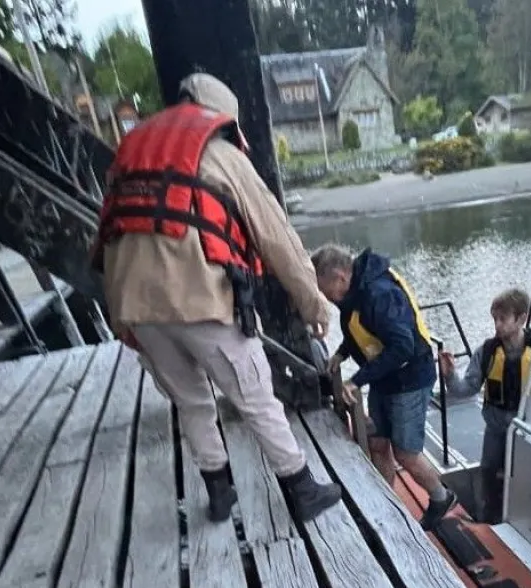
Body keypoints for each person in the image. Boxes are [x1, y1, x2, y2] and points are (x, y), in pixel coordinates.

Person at [90, 73, 341, 524]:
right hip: (201, 300)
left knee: (191, 401)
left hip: (137, 307)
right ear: (223, 118)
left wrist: (120, 318)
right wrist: (314, 304)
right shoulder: (223, 156)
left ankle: (220, 493)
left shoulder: (131, 154)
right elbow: (277, 238)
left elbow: (110, 232)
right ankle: (302, 489)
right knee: (255, 396)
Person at [311, 244, 458, 530]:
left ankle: (441, 497)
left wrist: (357, 380)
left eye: (325, 290)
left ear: (340, 276)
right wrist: (341, 353)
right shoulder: (354, 292)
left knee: (406, 453)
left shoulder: (380, 294)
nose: (325, 297)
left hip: (410, 379)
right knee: (377, 443)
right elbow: (361, 328)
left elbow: (402, 346)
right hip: (384, 377)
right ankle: (386, 503)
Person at [440, 288, 531, 524]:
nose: (497, 325)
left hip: (527, 431)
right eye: (495, 319)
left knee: (524, 477)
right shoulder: (487, 352)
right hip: (496, 428)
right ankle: (489, 517)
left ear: (521, 318)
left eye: (503, 319)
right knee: (489, 471)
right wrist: (450, 375)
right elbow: (465, 389)